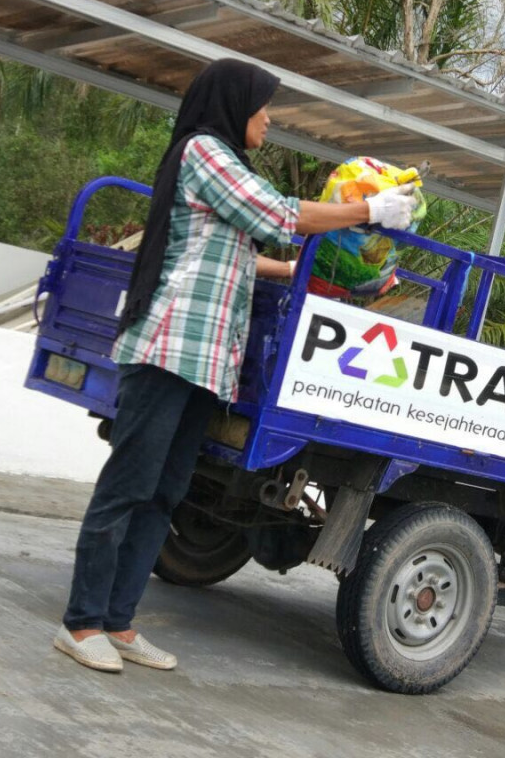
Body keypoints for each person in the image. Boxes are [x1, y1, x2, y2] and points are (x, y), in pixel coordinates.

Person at [53, 58, 418, 673]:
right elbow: (279, 215)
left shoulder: (225, 165)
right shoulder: (205, 151)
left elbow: (237, 257)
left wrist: (316, 275)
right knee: (128, 488)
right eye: (262, 106)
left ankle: (118, 623)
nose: (268, 119)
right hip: (168, 348)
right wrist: (368, 211)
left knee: (165, 494)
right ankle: (81, 622)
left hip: (204, 362)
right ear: (232, 104)